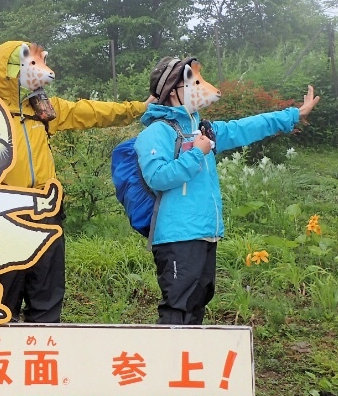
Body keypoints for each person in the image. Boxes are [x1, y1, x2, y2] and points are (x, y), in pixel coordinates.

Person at [135, 56, 320, 325]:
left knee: (198, 303)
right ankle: (169, 364)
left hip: (205, 234)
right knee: (177, 308)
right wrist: (197, 153)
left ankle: (187, 363)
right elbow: (158, 177)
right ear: (172, 90)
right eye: (194, 82)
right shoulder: (156, 133)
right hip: (176, 236)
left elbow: (245, 127)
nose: (206, 88)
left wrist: (294, 115)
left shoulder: (203, 129)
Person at [0, 40, 151, 323]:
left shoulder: (44, 109)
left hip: (46, 211)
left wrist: (137, 108)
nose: (44, 72)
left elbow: (88, 111)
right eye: (33, 64)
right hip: (2, 216)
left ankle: (44, 350)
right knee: (2, 298)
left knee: (47, 293)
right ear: (10, 69)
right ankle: (1, 354)